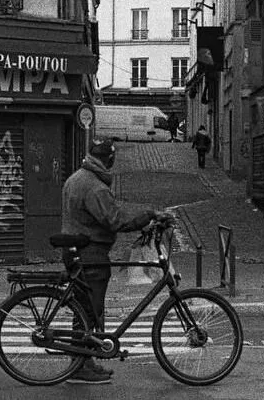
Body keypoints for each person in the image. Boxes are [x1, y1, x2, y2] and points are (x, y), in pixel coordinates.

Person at [61, 138, 163, 385]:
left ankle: (84, 361)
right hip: (90, 252)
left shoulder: (77, 178)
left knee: (84, 309)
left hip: (75, 249)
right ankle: (79, 367)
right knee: (89, 309)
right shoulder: (94, 186)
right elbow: (114, 220)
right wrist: (146, 217)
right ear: (109, 159)